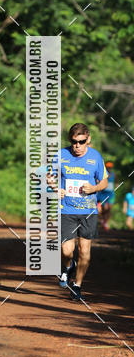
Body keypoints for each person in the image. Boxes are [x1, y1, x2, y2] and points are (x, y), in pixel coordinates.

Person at [57, 123, 107, 301]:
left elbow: (104, 182)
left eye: (81, 141)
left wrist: (94, 188)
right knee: (66, 250)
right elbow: (47, 175)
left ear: (88, 139)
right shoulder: (61, 155)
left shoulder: (95, 157)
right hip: (67, 209)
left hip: (88, 211)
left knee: (84, 250)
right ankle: (68, 266)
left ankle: (77, 286)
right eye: (73, 142)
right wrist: (55, 188)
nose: (77, 146)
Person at [97, 161, 116, 231]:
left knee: (109, 208)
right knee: (104, 208)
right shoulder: (103, 174)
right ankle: (102, 219)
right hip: (103, 194)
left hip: (111, 194)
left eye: (110, 167)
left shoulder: (114, 174)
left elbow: (116, 181)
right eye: (108, 167)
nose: (109, 168)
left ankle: (105, 221)